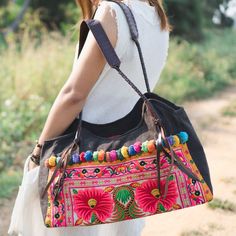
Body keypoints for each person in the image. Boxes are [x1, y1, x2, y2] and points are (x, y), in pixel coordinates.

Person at [8, 0, 171, 235]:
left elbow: (74, 95)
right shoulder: (157, 16)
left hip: (82, 159)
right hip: (128, 159)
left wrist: (38, 151)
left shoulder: (112, 13)